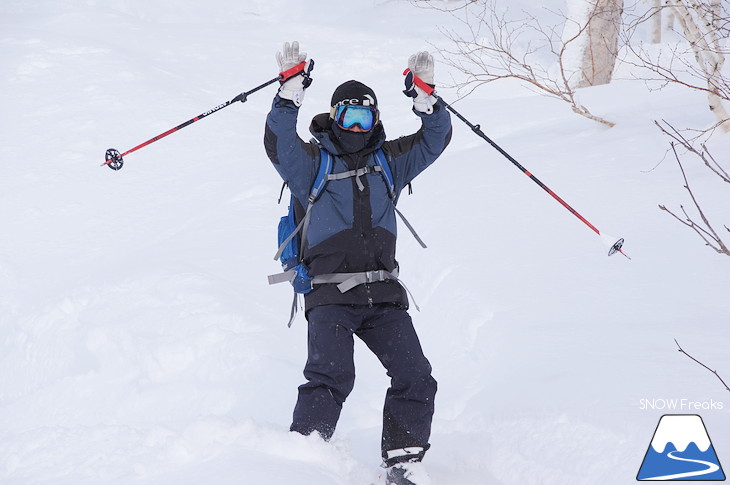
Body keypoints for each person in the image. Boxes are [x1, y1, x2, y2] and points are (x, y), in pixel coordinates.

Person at [264, 41, 452, 485]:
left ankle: (402, 463)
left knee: (416, 376)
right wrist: (288, 94)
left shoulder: (390, 162)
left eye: (364, 117)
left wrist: (427, 101)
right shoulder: (313, 164)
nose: (355, 125)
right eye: (347, 116)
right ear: (333, 118)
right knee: (331, 375)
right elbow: (279, 143)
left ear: (376, 121)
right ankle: (301, 462)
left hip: (384, 294)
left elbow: (435, 140)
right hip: (329, 291)